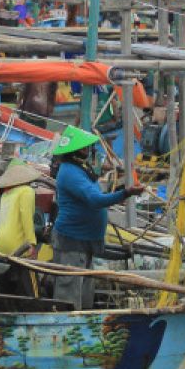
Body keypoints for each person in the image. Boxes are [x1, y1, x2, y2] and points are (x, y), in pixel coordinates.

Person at [50, 126, 144, 309]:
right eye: (85, 148)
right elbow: (95, 200)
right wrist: (125, 193)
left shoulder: (81, 169)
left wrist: (119, 193)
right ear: (75, 151)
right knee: (70, 294)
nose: (89, 151)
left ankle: (84, 324)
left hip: (85, 241)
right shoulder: (69, 172)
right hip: (72, 240)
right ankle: (69, 330)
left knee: (86, 290)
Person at [0, 159, 42, 296]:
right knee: (31, 288)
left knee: (5, 288)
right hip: (18, 244)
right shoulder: (26, 191)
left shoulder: (5, 193)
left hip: (1, 244)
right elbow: (26, 218)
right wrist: (32, 243)